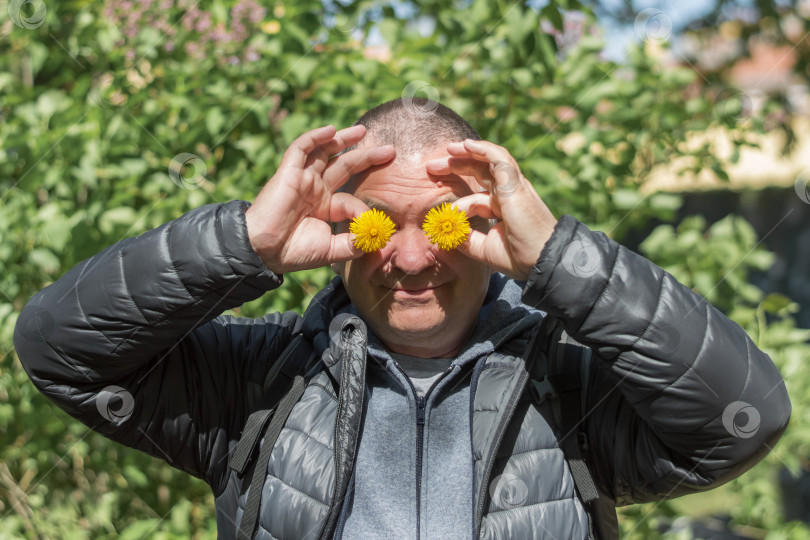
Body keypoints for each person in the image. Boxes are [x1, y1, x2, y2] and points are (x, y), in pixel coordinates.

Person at [14, 98, 791, 540]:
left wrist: (558, 257)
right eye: (380, 226)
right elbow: (59, 351)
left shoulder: (564, 385)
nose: (413, 259)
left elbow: (741, 420)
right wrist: (246, 244)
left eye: (448, 224)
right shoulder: (258, 381)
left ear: (491, 224)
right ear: (340, 227)